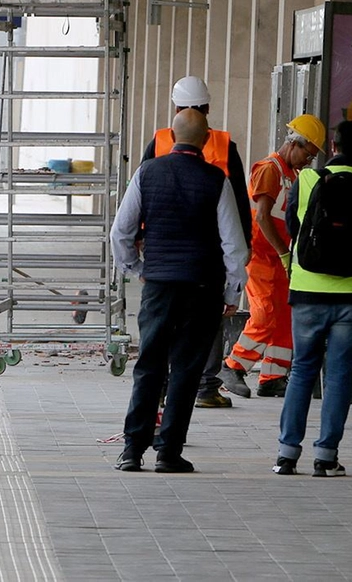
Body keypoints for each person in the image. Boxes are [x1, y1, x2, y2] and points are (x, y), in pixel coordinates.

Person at [111, 108, 249, 473]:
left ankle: (132, 449)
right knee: (187, 369)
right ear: (205, 139)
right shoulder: (216, 180)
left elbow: (120, 232)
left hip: (158, 285)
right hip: (202, 289)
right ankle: (169, 452)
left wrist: (137, 269)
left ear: (171, 137)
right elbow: (234, 245)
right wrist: (233, 294)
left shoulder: (147, 173)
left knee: (149, 366)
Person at [274, 120, 352, 477]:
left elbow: (294, 228)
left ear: (333, 147)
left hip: (308, 290)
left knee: (301, 371)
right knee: (338, 376)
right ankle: (326, 457)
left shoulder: (306, 180)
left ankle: (287, 454)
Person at [140, 75, 251, 409]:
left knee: (159, 322)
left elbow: (138, 196)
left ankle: (157, 388)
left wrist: (138, 252)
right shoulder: (224, 146)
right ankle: (205, 387)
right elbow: (239, 205)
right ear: (208, 108)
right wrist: (241, 253)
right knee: (208, 321)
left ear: (175, 108)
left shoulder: (159, 142)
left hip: (161, 249)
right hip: (209, 253)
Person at [220, 115, 326, 399]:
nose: (309, 161)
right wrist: (283, 252)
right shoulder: (270, 169)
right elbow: (263, 217)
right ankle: (233, 366)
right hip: (262, 256)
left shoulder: (291, 175)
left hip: (278, 256)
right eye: (307, 153)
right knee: (266, 314)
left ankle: (273, 377)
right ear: (294, 144)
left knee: (285, 314)